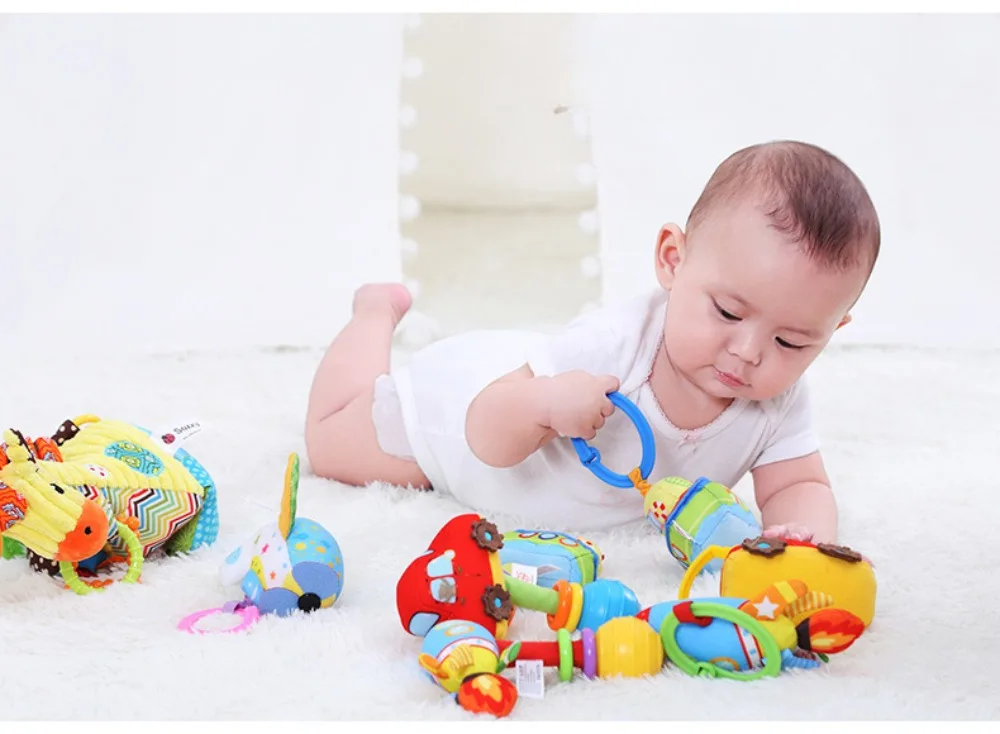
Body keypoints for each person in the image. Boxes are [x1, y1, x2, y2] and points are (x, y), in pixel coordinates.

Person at [304, 140, 880, 542]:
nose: (750, 352)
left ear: (831, 332)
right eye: (728, 312)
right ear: (673, 260)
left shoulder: (780, 402)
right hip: (460, 421)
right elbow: (485, 433)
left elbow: (799, 483)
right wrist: (546, 404)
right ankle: (374, 313)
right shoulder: (612, 345)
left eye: (791, 342)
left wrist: (804, 540)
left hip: (524, 392)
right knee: (331, 445)